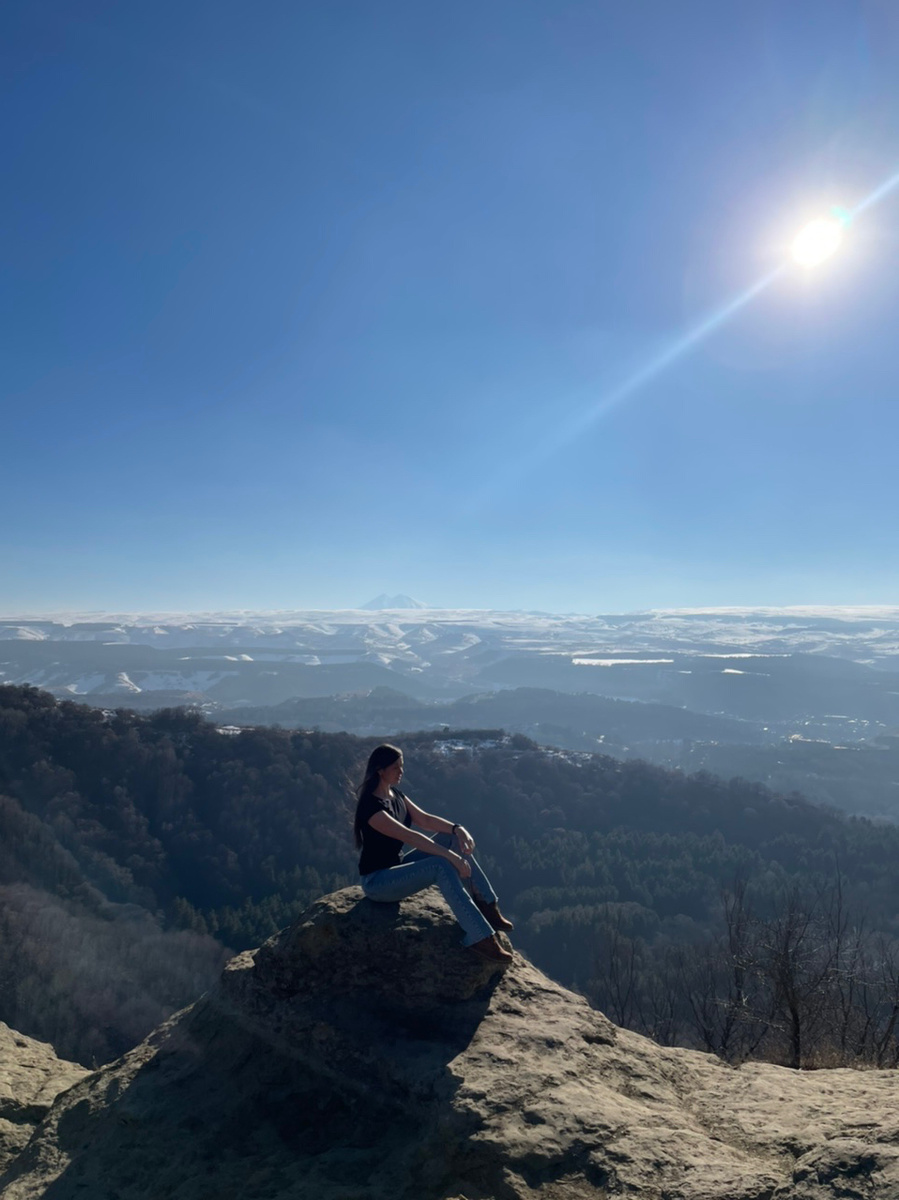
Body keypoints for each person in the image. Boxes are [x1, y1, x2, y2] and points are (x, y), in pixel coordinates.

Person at [353, 743, 514, 964]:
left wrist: (458, 829)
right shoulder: (372, 808)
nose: (401, 772)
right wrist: (452, 858)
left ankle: (486, 903)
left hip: (396, 868)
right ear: (380, 770)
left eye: (402, 766)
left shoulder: (395, 795)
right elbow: (411, 837)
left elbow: (425, 820)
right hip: (378, 882)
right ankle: (479, 936)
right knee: (441, 865)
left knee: (449, 838)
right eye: (396, 768)